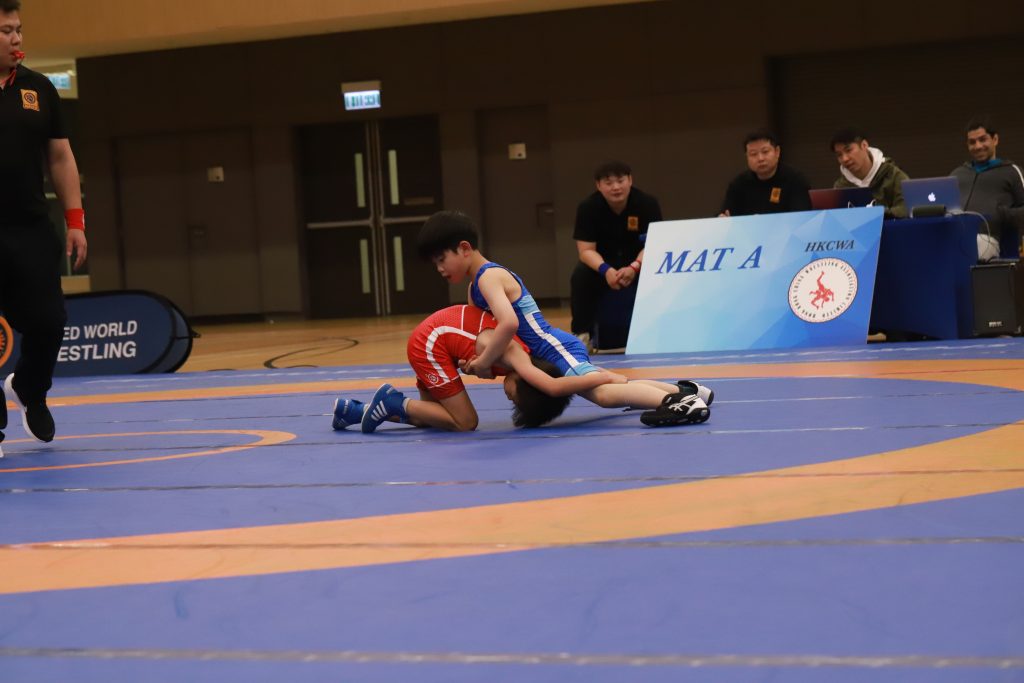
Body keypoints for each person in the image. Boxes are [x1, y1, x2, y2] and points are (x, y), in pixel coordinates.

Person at [412, 211, 711, 427]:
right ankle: (686, 391)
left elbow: (509, 324)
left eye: (442, 259)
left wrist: (485, 361)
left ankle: (676, 403)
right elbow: (482, 333)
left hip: (551, 346)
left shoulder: (488, 277)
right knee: (604, 382)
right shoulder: (474, 286)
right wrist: (477, 362)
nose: (440, 269)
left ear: (464, 248)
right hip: (545, 350)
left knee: (601, 393)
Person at [332, 304, 714, 432]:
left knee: (436, 420)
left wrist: (475, 362)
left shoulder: (521, 360)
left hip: (439, 339)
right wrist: (604, 375)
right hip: (431, 342)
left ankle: (356, 412)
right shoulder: (518, 359)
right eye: (515, 396)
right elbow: (555, 389)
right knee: (465, 423)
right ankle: (392, 402)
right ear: (527, 383)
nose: (507, 395)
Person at [0, 0, 88, 458]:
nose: (16, 39)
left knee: (49, 321)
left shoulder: (39, 88)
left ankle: (30, 388)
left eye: (18, 29)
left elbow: (60, 156)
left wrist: (75, 221)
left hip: (30, 227)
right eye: (5, 31)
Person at [569, 161, 662, 348]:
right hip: (602, 265)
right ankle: (582, 334)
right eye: (609, 183)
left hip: (639, 262)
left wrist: (635, 267)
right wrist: (606, 270)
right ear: (598, 185)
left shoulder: (648, 204)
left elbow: (654, 244)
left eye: (620, 181)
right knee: (580, 276)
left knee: (660, 273)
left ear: (630, 180)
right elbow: (586, 251)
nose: (616, 187)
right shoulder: (588, 208)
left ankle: (658, 331)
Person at [950, 117, 1024, 260]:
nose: (978, 146)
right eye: (972, 142)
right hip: (953, 237)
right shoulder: (957, 174)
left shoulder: (1012, 171)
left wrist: (1002, 214)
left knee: (972, 248)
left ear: (995, 140)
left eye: (983, 139)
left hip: (986, 238)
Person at [719, 130, 811, 217]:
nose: (760, 158)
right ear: (747, 157)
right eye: (753, 154)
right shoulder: (738, 184)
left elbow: (801, 216)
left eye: (765, 152)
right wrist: (722, 218)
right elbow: (725, 214)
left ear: (777, 152)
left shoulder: (795, 180)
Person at [831, 127, 909, 218]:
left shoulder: (893, 175)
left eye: (848, 150)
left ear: (864, 145)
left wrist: (876, 214)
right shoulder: (840, 187)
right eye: (839, 155)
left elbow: (907, 209)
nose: (845, 159)